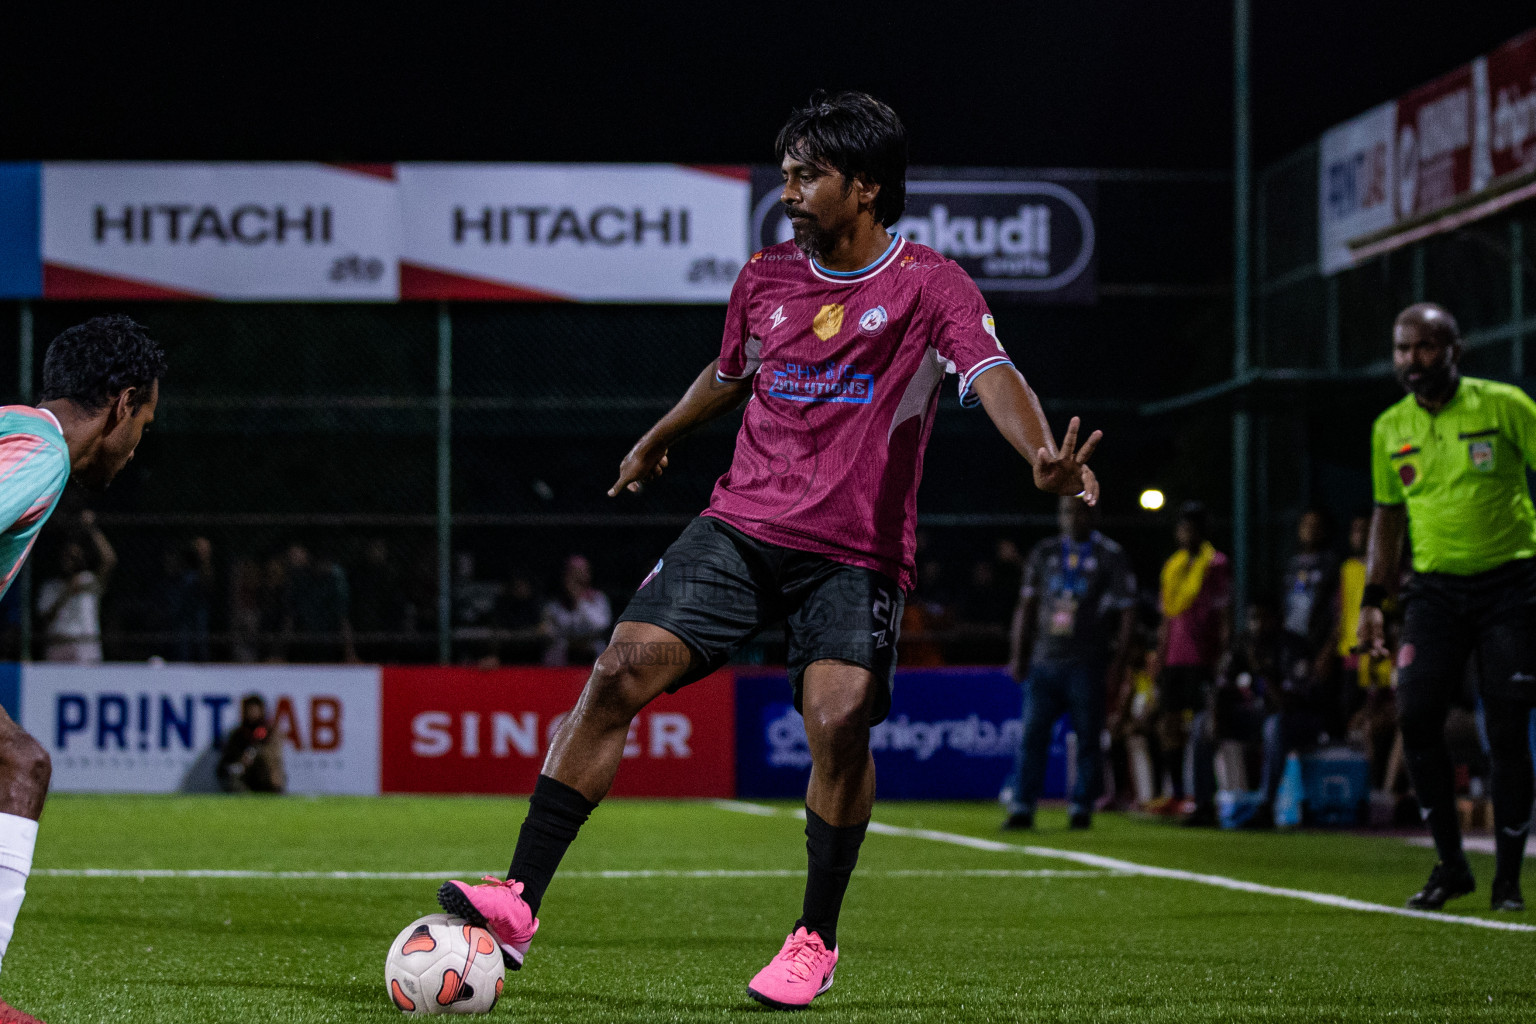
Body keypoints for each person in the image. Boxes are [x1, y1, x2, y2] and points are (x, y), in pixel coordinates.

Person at [437, 92, 1102, 1011]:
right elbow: (731, 370)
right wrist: (660, 434)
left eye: (807, 176)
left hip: (853, 551)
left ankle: (813, 939)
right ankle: (516, 900)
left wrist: (1040, 457)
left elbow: (993, 373)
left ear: (864, 188)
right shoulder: (766, 277)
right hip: (740, 528)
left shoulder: (930, 287)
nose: (788, 191)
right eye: (786, 172)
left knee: (838, 719)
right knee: (618, 673)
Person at [0, 314, 164, 1023]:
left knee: (17, 763)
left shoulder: (14, 428)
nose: (134, 448)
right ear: (123, 403)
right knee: (20, 766)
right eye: (145, 424)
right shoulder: (40, 456)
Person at [1360, 302, 1536, 913]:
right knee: (1414, 717)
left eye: (1425, 347)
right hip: (1433, 591)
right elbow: (1387, 519)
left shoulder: (1506, 405)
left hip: (1511, 584)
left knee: (1508, 730)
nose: (1412, 360)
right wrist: (1372, 602)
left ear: (1455, 349)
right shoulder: (1389, 427)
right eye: (1402, 349)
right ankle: (1452, 866)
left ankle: (1508, 877)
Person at [1003, 496, 1136, 830]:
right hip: (1044, 660)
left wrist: (1119, 662)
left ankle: (1081, 806)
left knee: (1089, 738)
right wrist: (1018, 654)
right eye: (1066, 511)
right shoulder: (1044, 552)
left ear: (1094, 514)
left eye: (1079, 511)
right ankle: (1022, 806)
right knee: (1033, 736)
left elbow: (1127, 612)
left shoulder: (1110, 555)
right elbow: (1026, 606)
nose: (1072, 517)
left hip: (1087, 661)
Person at [1154, 502, 1230, 823]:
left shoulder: (1216, 564)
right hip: (1174, 657)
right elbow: (1166, 618)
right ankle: (1178, 793)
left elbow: (1224, 612)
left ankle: (1204, 796)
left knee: (1203, 728)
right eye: (1182, 527)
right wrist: (1159, 657)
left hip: (1202, 657)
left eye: (1192, 528)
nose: (1186, 534)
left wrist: (1222, 654)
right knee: (1169, 725)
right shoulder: (1172, 566)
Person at [36, 511, 115, 663]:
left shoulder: (88, 580)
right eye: (67, 557)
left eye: (75, 557)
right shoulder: (50, 587)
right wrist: (67, 593)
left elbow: (109, 561)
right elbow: (45, 617)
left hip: (86, 644)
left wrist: (93, 529)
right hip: (58, 643)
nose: (71, 561)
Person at [539, 554, 610, 667]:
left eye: (583, 571)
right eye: (574, 572)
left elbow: (600, 625)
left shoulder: (598, 598)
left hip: (592, 653)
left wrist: (579, 601)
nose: (579, 576)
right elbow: (550, 632)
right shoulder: (555, 604)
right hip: (563, 656)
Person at [215, 694, 286, 793]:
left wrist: (255, 755)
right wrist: (241, 759)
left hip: (265, 773)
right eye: (249, 710)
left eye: (255, 710)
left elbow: (274, 754)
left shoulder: (271, 731)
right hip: (245, 773)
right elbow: (229, 756)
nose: (252, 713)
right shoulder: (238, 734)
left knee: (271, 772)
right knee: (233, 775)